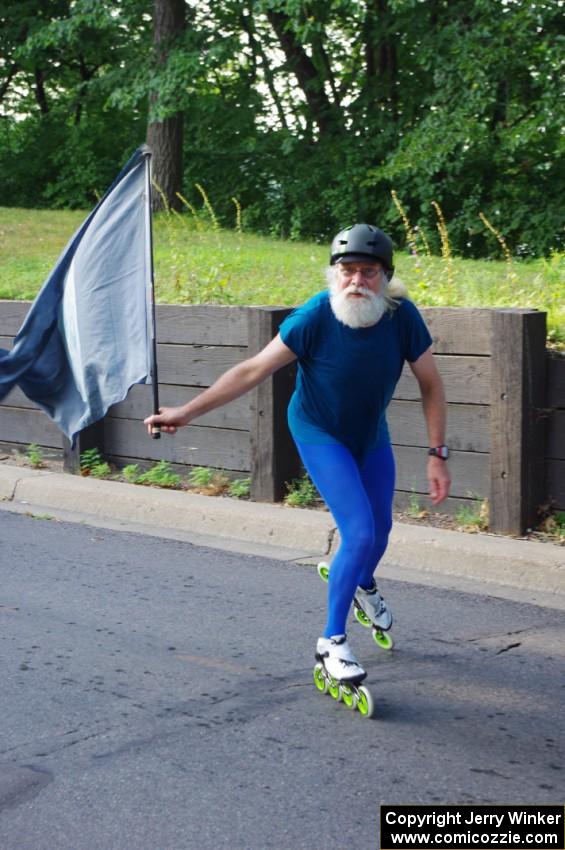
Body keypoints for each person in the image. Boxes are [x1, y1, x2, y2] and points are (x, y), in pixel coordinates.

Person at [144, 223, 450, 685]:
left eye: (368, 272)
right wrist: (186, 413)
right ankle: (331, 643)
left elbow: (431, 383)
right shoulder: (314, 318)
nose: (356, 281)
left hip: (369, 434)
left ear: (385, 276)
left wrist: (437, 452)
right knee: (361, 532)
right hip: (317, 430)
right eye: (347, 270)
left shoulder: (401, 316)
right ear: (334, 274)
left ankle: (360, 582)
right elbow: (252, 370)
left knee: (380, 530)